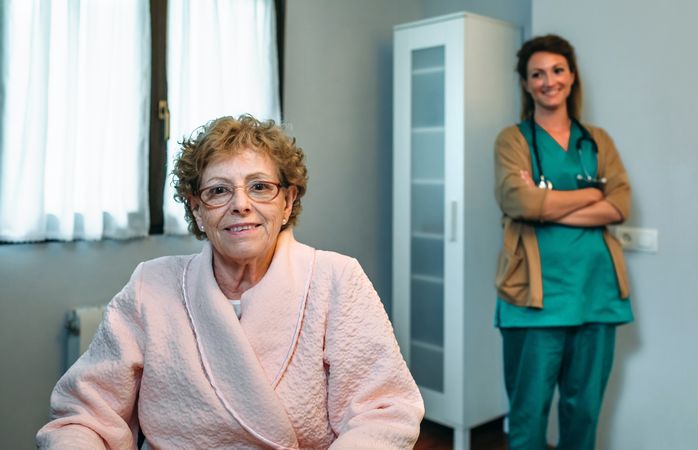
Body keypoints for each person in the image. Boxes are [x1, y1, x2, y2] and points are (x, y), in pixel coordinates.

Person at [37, 114, 424, 449]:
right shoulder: (150, 286)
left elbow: (384, 411)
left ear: (287, 202)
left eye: (260, 186)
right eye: (218, 190)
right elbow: (85, 415)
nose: (241, 203)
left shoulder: (336, 279)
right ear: (196, 209)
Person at [493, 35, 633, 450]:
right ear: (525, 83)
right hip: (534, 300)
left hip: (597, 294)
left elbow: (620, 204)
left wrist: (545, 204)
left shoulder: (597, 141)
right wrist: (592, 196)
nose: (548, 81)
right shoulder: (513, 140)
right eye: (537, 73)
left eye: (557, 70)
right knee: (528, 415)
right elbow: (515, 199)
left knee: (584, 412)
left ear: (571, 76)